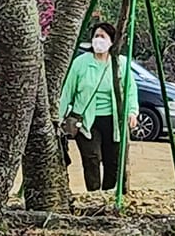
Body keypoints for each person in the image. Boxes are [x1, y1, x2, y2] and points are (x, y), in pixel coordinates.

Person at [57, 22, 140, 195]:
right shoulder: (81, 63)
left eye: (103, 37)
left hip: (113, 120)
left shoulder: (121, 64)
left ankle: (109, 192)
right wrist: (58, 117)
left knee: (113, 161)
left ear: (112, 41)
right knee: (92, 158)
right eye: (96, 36)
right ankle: (94, 193)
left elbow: (130, 90)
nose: (98, 40)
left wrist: (132, 111)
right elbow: (68, 92)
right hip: (86, 121)